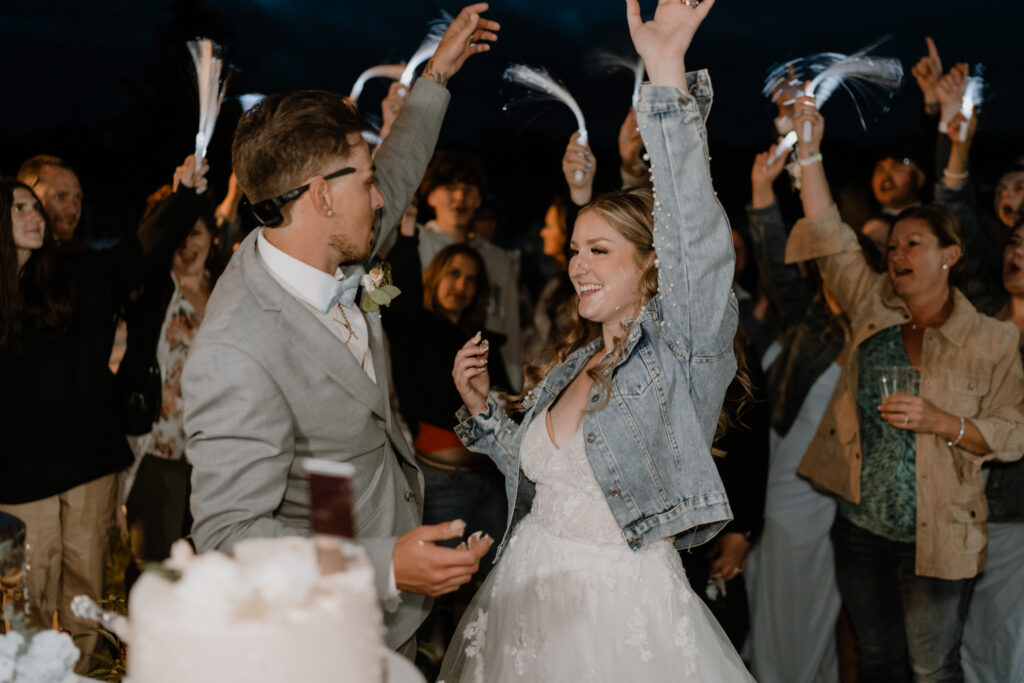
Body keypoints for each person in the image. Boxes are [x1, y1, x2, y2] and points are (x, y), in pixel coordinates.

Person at [438, 1, 753, 679]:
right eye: (575, 248)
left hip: (616, 617)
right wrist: (488, 412)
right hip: (525, 598)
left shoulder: (680, 354)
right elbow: (551, 481)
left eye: (599, 250)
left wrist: (665, 74)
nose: (578, 263)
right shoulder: (578, 360)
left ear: (649, 264)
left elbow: (696, 242)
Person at [181, 4, 499, 656]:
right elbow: (227, 536)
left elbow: (403, 168)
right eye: (365, 177)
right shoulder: (238, 349)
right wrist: (382, 566)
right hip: (324, 632)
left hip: (394, 617)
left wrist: (436, 76)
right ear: (322, 196)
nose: (382, 197)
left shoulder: (333, 243)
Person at [785, 97, 1024, 682]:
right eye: (892, 247)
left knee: (932, 668)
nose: (896, 255)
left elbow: (1014, 434)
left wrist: (946, 422)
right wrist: (809, 151)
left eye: (912, 244)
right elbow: (829, 234)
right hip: (861, 527)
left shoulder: (991, 339)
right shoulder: (872, 305)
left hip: (941, 533)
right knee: (878, 659)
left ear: (950, 255)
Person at [0, 156, 208, 673]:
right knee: (24, 599)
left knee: (86, 596)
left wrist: (183, 197)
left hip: (88, 464)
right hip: (22, 480)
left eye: (35, 207)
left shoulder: (74, 273)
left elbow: (135, 254)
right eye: (19, 206)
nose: (36, 216)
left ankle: (86, 674)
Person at [744, 142, 847, 683]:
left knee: (818, 619)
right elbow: (778, 273)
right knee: (775, 610)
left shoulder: (884, 335)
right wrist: (762, 195)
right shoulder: (814, 325)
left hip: (837, 501)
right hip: (784, 489)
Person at [116, 181, 222, 566]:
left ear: (211, 234)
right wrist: (180, 199)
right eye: (176, 235)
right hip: (160, 451)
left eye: (194, 232)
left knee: (208, 569)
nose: (186, 245)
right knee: (156, 570)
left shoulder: (228, 290)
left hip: (217, 455)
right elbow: (145, 249)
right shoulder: (154, 291)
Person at [959, 220, 1024, 683]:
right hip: (954, 500)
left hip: (1011, 509)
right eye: (1016, 242)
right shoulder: (976, 316)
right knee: (962, 637)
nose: (1017, 253)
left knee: (1007, 637)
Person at [16, 155, 86, 249]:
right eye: (60, 196)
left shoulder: (87, 257)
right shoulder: (8, 260)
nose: (73, 210)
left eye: (77, 198)